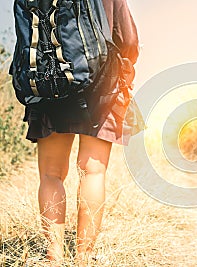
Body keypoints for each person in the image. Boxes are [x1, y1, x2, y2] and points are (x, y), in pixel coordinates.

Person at [22, 0, 144, 265]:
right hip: (102, 85)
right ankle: (84, 256)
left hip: (50, 84)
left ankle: (54, 253)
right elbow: (129, 38)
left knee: (50, 174)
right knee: (93, 171)